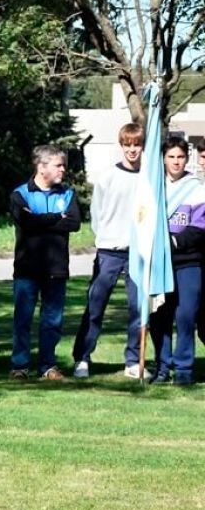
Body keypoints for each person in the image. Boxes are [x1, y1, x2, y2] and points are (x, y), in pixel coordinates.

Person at [71, 123, 144, 379]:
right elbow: (98, 212)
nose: (132, 150)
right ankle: (82, 357)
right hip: (109, 251)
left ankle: (133, 360)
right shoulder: (108, 176)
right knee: (95, 305)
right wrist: (104, 239)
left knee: (138, 308)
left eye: (137, 145)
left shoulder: (148, 178)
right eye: (128, 145)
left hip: (138, 253)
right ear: (121, 145)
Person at [9, 144, 82, 380]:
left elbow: (74, 223)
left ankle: (48, 366)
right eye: (58, 165)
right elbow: (25, 223)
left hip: (56, 268)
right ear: (41, 167)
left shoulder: (67, 194)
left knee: (52, 321)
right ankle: (19, 366)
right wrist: (55, 219)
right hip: (27, 268)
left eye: (63, 165)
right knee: (23, 320)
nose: (63, 169)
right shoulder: (20, 194)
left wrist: (41, 219)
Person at [149, 137, 205, 385]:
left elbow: (199, 227)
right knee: (160, 315)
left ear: (186, 158)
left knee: (185, 316)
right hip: (159, 263)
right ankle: (162, 367)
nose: (176, 162)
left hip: (189, 261)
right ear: (163, 158)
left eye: (180, 157)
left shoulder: (197, 188)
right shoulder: (153, 186)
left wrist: (173, 242)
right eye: (171, 157)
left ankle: (184, 370)